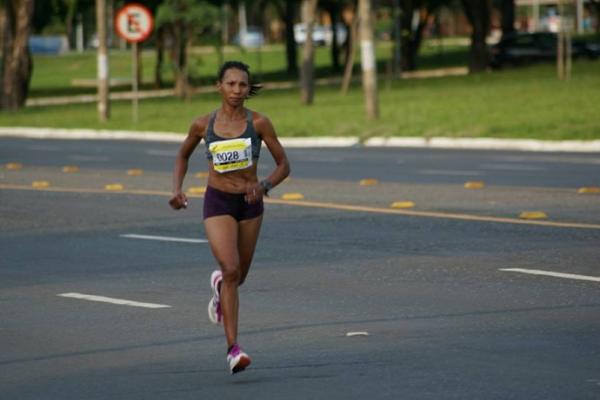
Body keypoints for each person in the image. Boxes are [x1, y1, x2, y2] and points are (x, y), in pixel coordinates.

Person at [169, 61, 290, 374]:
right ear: (219, 86)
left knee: (238, 278)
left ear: (249, 89)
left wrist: (264, 186)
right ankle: (233, 349)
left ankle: (220, 284)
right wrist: (176, 189)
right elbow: (183, 155)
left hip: (250, 203)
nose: (237, 90)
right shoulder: (202, 124)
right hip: (218, 201)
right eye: (231, 84)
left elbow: (283, 165)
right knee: (232, 267)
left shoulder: (259, 123)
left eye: (243, 85)